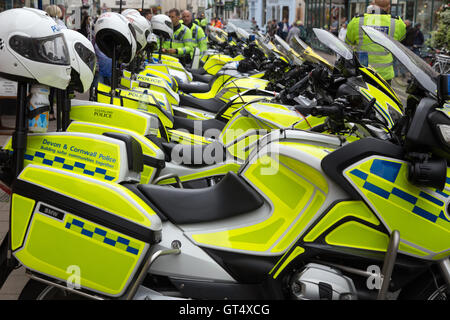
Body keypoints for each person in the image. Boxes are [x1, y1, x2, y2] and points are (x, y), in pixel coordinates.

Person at [345, 0, 406, 84]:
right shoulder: (397, 22)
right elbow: (399, 39)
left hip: (363, 72)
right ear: (389, 7)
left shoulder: (357, 21)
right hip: (385, 75)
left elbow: (348, 41)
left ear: (372, 5)